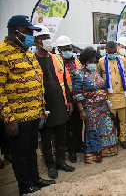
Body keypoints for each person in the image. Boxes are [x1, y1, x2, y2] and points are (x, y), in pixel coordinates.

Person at [0, 15, 55, 195]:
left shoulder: (27, 54)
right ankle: (25, 185)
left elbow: (37, 83)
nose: (32, 35)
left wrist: (41, 109)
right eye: (29, 32)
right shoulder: (3, 54)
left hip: (34, 114)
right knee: (20, 153)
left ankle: (35, 179)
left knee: (32, 150)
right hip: (17, 117)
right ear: (16, 32)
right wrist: (9, 119)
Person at [34, 27, 75, 179]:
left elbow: (65, 81)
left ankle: (60, 162)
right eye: (44, 37)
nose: (48, 40)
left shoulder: (57, 58)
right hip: (44, 106)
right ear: (37, 41)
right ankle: (50, 165)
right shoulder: (32, 60)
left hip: (60, 103)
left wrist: (69, 101)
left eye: (48, 37)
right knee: (46, 139)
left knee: (61, 136)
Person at [72, 46, 118, 163]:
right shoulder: (78, 74)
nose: (93, 63)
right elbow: (77, 94)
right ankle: (94, 155)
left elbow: (103, 86)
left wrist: (106, 99)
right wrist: (81, 110)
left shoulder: (96, 72)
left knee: (107, 128)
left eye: (94, 61)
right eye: (90, 62)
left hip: (103, 106)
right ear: (84, 61)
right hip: (90, 108)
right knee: (93, 131)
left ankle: (107, 151)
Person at [97, 41, 126, 149]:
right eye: (110, 52)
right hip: (109, 96)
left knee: (123, 120)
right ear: (106, 51)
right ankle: (112, 139)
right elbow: (98, 77)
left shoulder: (122, 60)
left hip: (122, 94)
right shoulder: (101, 61)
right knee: (111, 120)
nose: (112, 54)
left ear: (116, 51)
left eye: (114, 52)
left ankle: (122, 139)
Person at [56, 35, 83, 163]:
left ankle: (78, 145)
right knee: (68, 128)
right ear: (59, 49)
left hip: (77, 97)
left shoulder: (76, 61)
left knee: (78, 125)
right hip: (64, 99)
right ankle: (71, 151)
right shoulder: (57, 61)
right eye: (65, 49)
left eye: (69, 48)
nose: (68, 51)